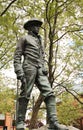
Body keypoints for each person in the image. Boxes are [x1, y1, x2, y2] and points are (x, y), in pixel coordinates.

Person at [14, 18, 68, 130]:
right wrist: (19, 72)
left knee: (50, 94)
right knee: (25, 95)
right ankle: (20, 122)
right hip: (28, 67)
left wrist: (43, 66)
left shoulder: (40, 40)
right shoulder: (24, 38)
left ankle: (53, 121)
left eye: (38, 26)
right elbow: (17, 56)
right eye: (36, 26)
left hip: (40, 70)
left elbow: (42, 56)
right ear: (30, 28)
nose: (38, 28)